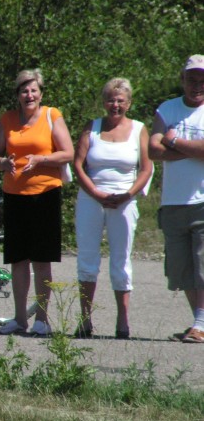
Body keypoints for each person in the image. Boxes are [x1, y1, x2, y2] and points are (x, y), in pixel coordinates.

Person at [0, 68, 74, 336]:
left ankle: (42, 319)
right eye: (24, 90)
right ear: (17, 95)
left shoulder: (51, 115)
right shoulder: (8, 119)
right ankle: (19, 318)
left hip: (45, 193)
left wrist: (41, 160)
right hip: (15, 194)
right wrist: (3, 162)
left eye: (33, 90)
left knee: (41, 259)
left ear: (41, 93)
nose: (29, 95)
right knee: (18, 259)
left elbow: (68, 152)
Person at [73, 78, 153, 339]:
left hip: (124, 200)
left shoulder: (139, 129)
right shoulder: (92, 128)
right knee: (87, 258)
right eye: (110, 99)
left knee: (121, 259)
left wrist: (128, 194)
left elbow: (146, 168)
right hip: (91, 198)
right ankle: (85, 320)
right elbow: (78, 164)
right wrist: (94, 192)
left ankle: (123, 321)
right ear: (103, 102)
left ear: (128, 103)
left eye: (120, 100)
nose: (115, 105)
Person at [149, 54, 204, 344]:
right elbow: (152, 151)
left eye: (202, 79)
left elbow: (164, 145)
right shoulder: (167, 109)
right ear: (182, 79)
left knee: (203, 265)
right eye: (192, 78)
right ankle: (199, 322)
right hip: (173, 201)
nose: (197, 84)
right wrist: (192, 149)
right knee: (182, 269)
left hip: (202, 200)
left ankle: (200, 323)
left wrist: (173, 141)